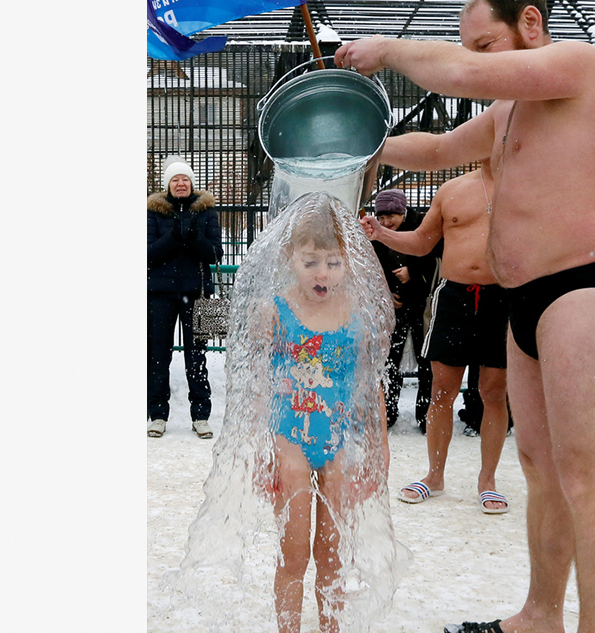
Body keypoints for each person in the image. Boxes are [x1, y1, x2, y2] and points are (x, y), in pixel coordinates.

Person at [338, 2, 595, 632]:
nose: (477, 61)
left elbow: (457, 75)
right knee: (539, 465)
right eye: (469, 48)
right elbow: (441, 148)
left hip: (582, 287)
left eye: (485, 45)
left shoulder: (578, 66)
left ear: (530, 23)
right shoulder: (510, 111)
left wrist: (389, 50)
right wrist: (362, 145)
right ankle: (540, 616)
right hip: (522, 297)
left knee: (585, 473)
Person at [173, 192, 406, 632]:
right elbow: (256, 390)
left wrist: (380, 447)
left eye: (334, 263)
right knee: (294, 552)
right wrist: (261, 450)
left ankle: (330, 627)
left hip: (340, 440)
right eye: (311, 261)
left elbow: (370, 384)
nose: (323, 273)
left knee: (333, 554)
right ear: (290, 258)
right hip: (289, 439)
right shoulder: (274, 312)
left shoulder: (356, 314)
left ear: (348, 262)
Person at [361, 162, 511, 515]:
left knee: (493, 391)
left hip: (502, 296)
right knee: (441, 390)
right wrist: (381, 234)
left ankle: (487, 480)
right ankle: (434, 475)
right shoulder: (453, 190)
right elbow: (422, 241)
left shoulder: (524, 184)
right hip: (455, 295)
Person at [147, 155, 222, 439]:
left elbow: (216, 253)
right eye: (175, 180)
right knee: (158, 356)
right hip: (160, 295)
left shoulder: (207, 212)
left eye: (185, 179)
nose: (181, 184)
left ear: (192, 183)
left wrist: (193, 236)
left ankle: (201, 415)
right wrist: (175, 236)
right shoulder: (154, 212)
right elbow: (148, 253)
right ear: (168, 185)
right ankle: (157, 414)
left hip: (198, 293)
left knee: (197, 357)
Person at [371, 189, 438, 430]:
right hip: (394, 307)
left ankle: (425, 416)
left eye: (392, 216)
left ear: (403, 212)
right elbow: (371, 267)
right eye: (382, 218)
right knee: (390, 359)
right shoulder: (377, 234)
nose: (387, 223)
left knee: (426, 360)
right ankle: (387, 412)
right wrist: (387, 292)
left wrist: (414, 271)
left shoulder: (421, 226)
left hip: (421, 304)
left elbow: (436, 255)